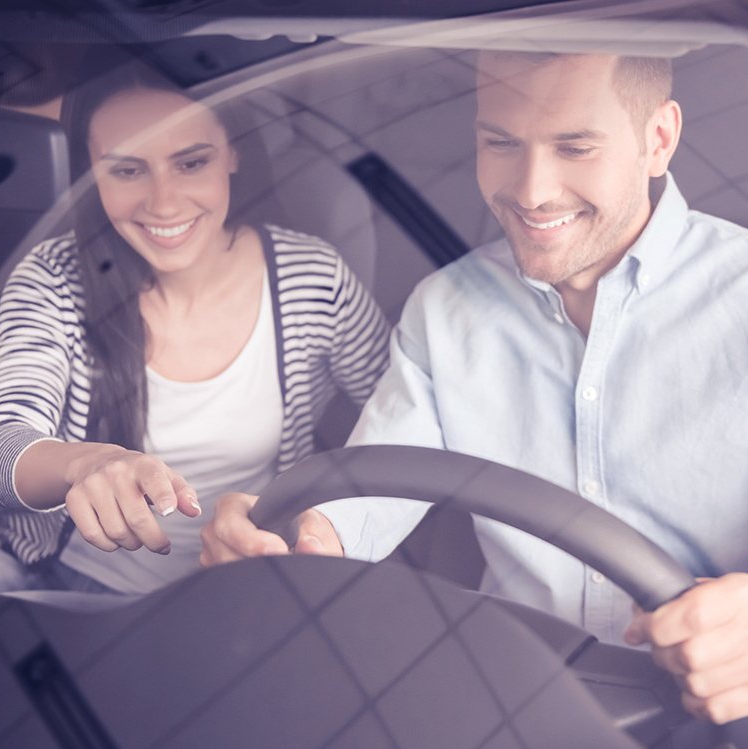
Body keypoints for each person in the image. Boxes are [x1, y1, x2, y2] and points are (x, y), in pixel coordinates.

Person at [200, 51, 748, 725]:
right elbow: (362, 496)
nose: (530, 189)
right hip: (505, 704)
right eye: (500, 143)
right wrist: (286, 538)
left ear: (656, 140)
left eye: (574, 147)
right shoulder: (445, 308)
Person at [0, 58, 390, 595]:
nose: (163, 203)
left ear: (234, 152)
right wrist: (86, 463)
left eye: (191, 163)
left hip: (239, 584)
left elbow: (396, 427)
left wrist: (314, 519)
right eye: (126, 170)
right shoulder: (53, 278)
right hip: (57, 574)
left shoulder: (313, 278)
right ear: (89, 173)